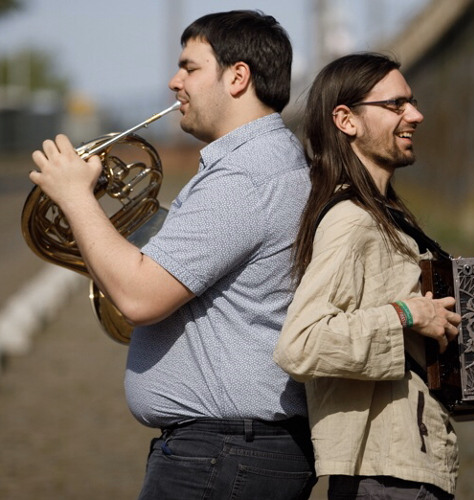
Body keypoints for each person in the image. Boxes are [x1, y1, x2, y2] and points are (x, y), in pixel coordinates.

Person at [30, 10, 316, 500]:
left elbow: (139, 297)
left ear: (238, 76)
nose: (174, 81)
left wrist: (76, 197)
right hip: (227, 450)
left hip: (224, 456)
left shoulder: (245, 177)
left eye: (190, 68)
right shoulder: (256, 164)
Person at [274, 52, 462, 499]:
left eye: (411, 103)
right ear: (346, 120)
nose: (415, 115)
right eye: (395, 105)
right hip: (385, 474)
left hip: (407, 460)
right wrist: (405, 314)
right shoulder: (352, 220)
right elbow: (301, 344)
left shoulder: (386, 216)